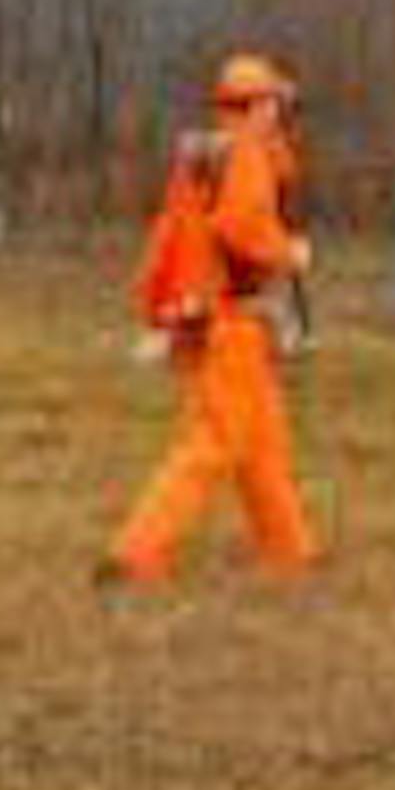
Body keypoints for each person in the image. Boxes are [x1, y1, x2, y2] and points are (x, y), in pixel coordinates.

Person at [101, 53, 320, 587]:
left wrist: (160, 310)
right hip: (232, 322)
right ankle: (136, 555)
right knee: (214, 444)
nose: (281, 112)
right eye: (274, 101)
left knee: (262, 443)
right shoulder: (244, 156)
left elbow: (167, 238)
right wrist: (288, 253)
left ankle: (291, 552)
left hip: (210, 315)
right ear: (257, 105)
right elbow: (242, 228)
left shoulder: (204, 156)